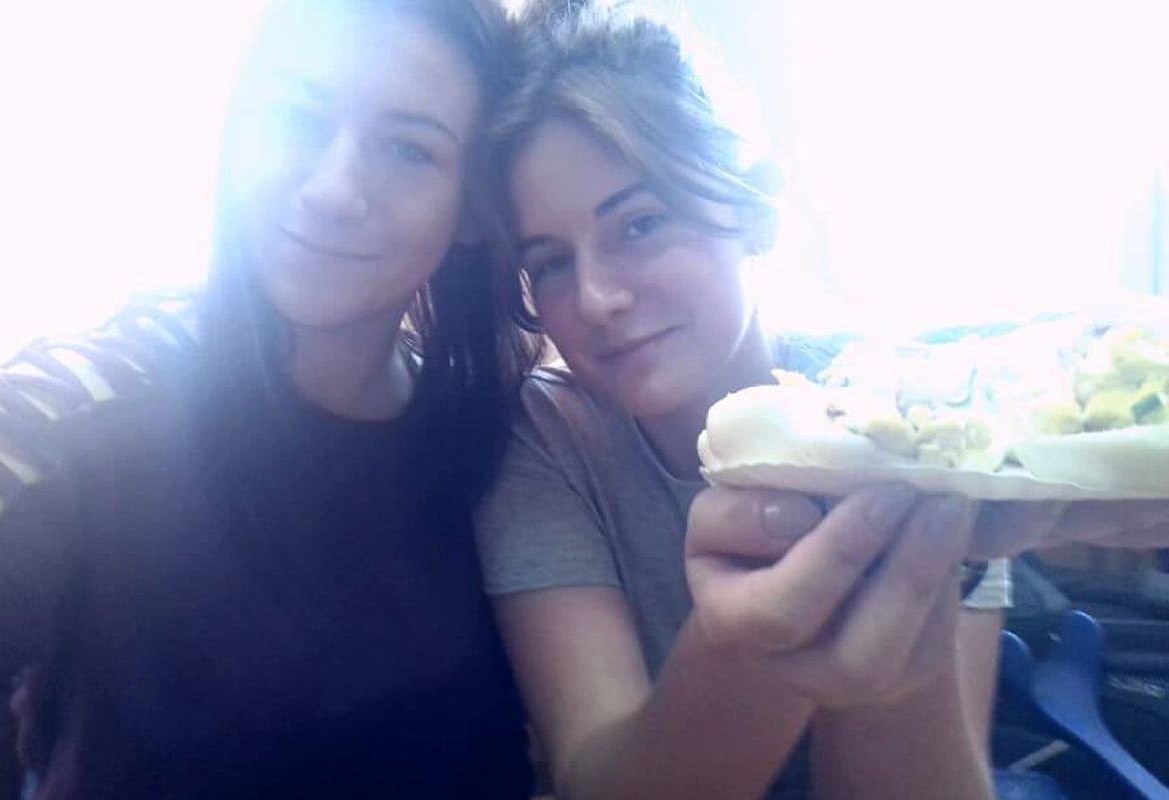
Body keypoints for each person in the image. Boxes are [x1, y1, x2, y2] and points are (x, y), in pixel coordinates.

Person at [474, 4, 1169, 799]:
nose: (597, 299)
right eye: (550, 264)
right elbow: (594, 781)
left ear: (756, 207)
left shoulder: (911, 412)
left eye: (639, 224)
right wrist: (750, 648)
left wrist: (912, 577)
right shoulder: (547, 440)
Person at [0, 1, 536, 797]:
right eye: (299, 118)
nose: (334, 189)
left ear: (473, 208)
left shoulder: (492, 431)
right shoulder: (90, 411)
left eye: (408, 149)